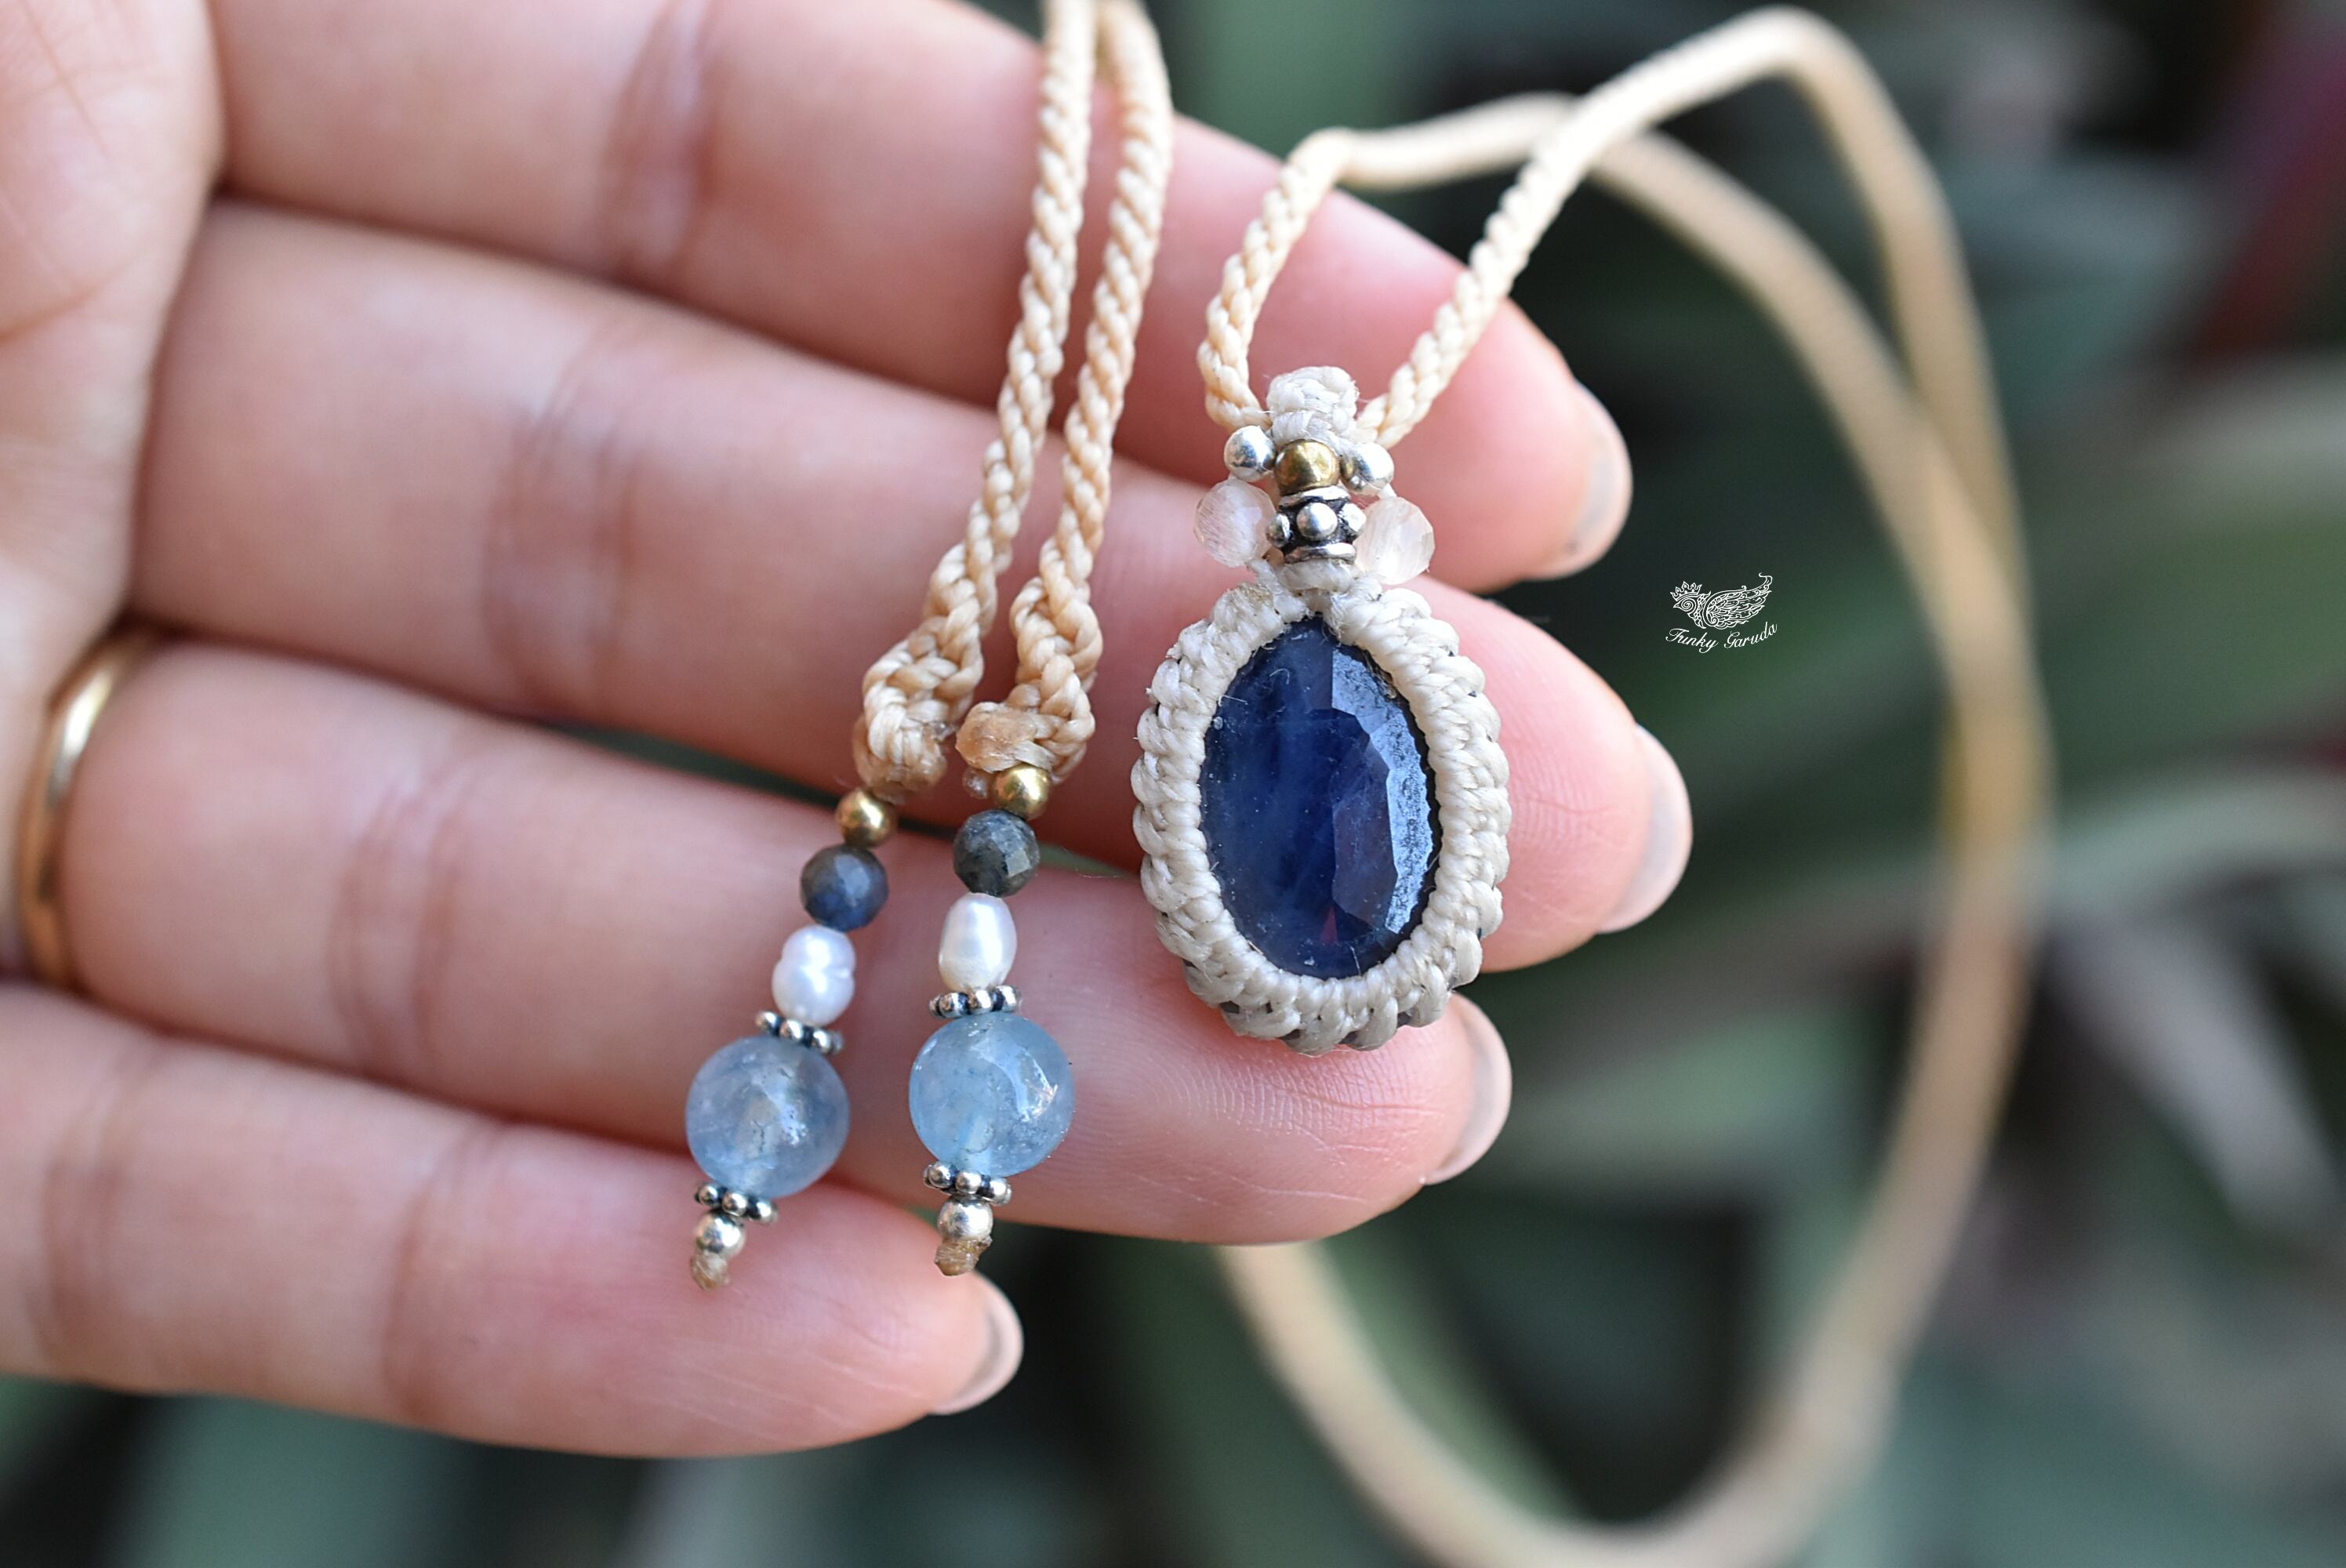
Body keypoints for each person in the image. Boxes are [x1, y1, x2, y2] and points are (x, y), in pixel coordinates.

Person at [0, 0, 1685, 1450]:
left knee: (940, 884)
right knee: (909, 883)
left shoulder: (1299, 629)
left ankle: (847, 1188)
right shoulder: (1253, 620)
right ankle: (837, 1185)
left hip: (1308, 880)